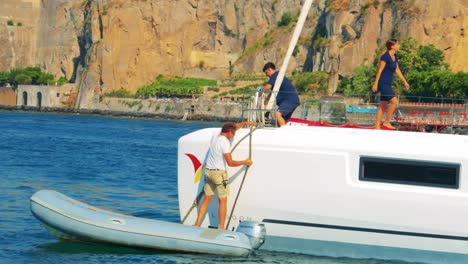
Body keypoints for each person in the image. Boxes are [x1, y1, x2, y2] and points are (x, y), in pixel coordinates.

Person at [193, 121, 255, 230]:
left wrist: (246, 122)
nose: (233, 136)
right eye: (233, 134)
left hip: (208, 172)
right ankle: (222, 227)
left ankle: (197, 223)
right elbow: (230, 163)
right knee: (223, 200)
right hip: (219, 174)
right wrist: (245, 162)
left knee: (207, 198)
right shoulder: (225, 143)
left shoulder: (215, 136)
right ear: (229, 132)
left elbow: (235, 126)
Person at [372, 39, 410, 129]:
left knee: (383, 105)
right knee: (394, 102)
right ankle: (386, 121)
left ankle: (377, 126)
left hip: (388, 83)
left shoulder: (395, 56)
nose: (399, 45)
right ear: (392, 46)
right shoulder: (385, 56)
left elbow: (397, 70)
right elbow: (380, 70)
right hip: (383, 83)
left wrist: (405, 81)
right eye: (397, 44)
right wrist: (375, 83)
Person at [262, 62, 300, 127]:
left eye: (266, 72)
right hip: (293, 100)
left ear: (269, 70)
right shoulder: (278, 76)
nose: (266, 75)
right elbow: (271, 93)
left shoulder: (275, 75)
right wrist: (266, 102)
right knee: (281, 120)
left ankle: (284, 133)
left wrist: (258, 90)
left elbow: (267, 87)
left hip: (289, 100)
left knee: (277, 114)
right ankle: (282, 133)